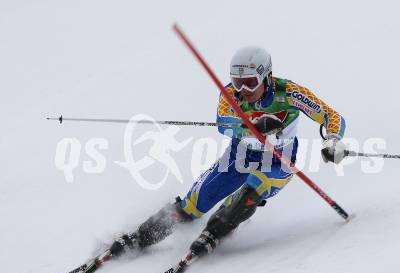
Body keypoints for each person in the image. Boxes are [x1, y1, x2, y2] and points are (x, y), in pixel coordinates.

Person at [109, 46, 347, 258]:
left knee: (253, 189)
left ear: (267, 75)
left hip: (277, 161)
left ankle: (217, 229)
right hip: (238, 158)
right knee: (193, 205)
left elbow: (330, 116)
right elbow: (224, 123)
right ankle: (141, 236)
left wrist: (333, 140)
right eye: (237, 81)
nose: (244, 89)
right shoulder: (230, 96)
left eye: (251, 82)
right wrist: (254, 127)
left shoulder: (290, 93)